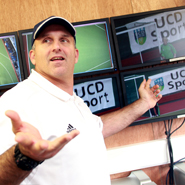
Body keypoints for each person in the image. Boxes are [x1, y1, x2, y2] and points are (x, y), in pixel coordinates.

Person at [0, 16, 162, 185]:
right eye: (47, 40)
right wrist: (23, 156)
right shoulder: (16, 102)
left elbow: (96, 128)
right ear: (32, 57)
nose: (56, 47)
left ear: (75, 55)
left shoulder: (73, 99)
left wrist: (144, 104)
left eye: (64, 40)